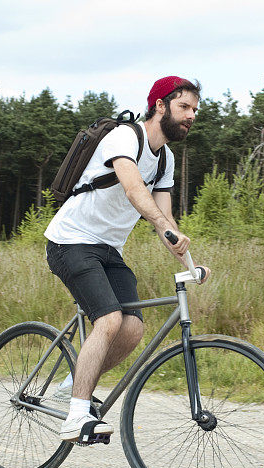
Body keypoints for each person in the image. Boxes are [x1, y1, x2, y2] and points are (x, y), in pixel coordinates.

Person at [44, 76, 210, 442]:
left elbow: (165, 221)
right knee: (108, 318)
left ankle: (73, 383)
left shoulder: (165, 159)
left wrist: (190, 264)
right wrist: (162, 225)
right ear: (161, 105)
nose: (192, 116)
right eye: (184, 107)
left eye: (195, 110)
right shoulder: (124, 137)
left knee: (132, 328)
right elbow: (134, 188)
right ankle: (76, 416)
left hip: (107, 250)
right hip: (70, 241)